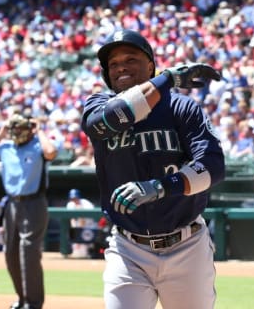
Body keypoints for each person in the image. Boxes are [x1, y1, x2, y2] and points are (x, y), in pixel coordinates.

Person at [81, 29, 225, 309]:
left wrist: (160, 187)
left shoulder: (182, 108)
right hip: (128, 248)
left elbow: (213, 168)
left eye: (131, 59)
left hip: (187, 244)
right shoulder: (98, 106)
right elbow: (108, 120)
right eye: (113, 63)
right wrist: (168, 79)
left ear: (150, 66)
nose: (121, 66)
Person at [0, 113, 59, 309]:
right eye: (14, 129)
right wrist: (3, 130)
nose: (17, 133)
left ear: (29, 129)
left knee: (28, 253)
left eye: (20, 128)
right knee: (11, 254)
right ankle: (22, 299)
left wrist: (39, 129)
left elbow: (51, 152)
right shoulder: (6, 146)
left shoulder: (38, 145)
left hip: (34, 203)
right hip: (12, 204)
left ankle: (33, 303)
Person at [66, 188, 96, 258]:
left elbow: (84, 220)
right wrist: (75, 231)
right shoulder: (70, 204)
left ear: (78, 197)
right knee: (72, 233)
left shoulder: (86, 203)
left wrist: (78, 232)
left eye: (75, 198)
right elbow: (72, 219)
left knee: (84, 239)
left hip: (89, 226)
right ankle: (75, 252)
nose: (74, 200)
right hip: (77, 225)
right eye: (72, 198)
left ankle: (88, 253)